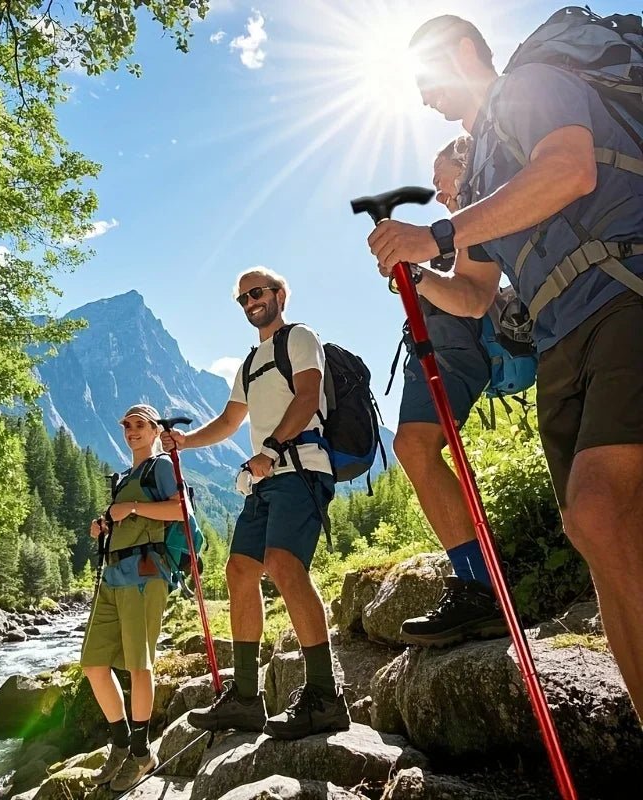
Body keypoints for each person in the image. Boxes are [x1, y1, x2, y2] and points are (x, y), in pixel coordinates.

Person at [368, 14, 643, 719]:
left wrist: (436, 230)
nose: (422, 94)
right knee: (598, 536)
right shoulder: (484, 169)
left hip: (624, 296)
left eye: (426, 74)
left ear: (463, 55)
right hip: (563, 344)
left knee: (599, 511)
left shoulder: (529, 85)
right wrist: (417, 271)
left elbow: (569, 171)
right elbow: (473, 294)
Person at [161, 267, 349, 740]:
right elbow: (228, 420)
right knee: (240, 571)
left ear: (280, 294)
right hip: (265, 479)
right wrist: (184, 443)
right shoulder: (250, 362)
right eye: (242, 298)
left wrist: (269, 450)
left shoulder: (300, 338)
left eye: (257, 293)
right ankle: (246, 699)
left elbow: (307, 397)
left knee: (284, 565)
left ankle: (326, 698)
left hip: (301, 468)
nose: (250, 302)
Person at [393, 135, 505, 647]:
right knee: (411, 446)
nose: (440, 194)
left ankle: (480, 587)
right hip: (443, 344)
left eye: (444, 181)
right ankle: (477, 583)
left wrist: (416, 274)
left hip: (458, 345)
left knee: (414, 446)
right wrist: (417, 276)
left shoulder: (486, 208)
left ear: (470, 164)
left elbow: (472, 300)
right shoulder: (468, 230)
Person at [81, 404, 182, 790]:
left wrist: (132, 507)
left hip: (145, 575)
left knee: (140, 666)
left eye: (140, 425)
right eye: (127, 425)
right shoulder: (124, 476)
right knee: (93, 664)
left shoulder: (162, 467)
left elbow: (181, 510)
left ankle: (142, 753)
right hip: (113, 575)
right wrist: (105, 523)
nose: (132, 431)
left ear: (155, 430)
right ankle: (121, 744)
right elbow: (124, 517)